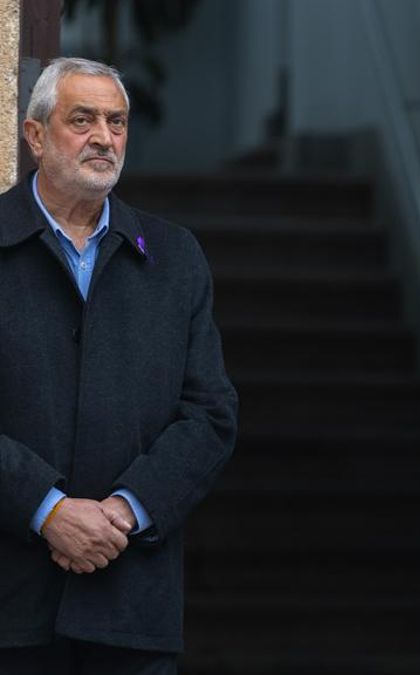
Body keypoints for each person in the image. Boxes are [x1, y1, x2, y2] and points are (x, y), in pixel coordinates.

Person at [0, 57, 237, 673]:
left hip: (131, 601)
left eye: (117, 121)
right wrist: (45, 508)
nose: (104, 137)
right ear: (34, 135)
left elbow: (210, 412)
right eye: (82, 120)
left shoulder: (174, 257)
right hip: (10, 605)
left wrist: (126, 509)